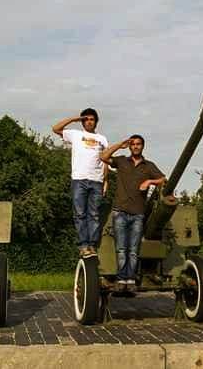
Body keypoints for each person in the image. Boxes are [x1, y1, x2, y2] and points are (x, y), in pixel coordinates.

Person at [100, 135, 165, 286]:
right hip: (120, 211)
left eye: (138, 144)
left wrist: (150, 181)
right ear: (130, 146)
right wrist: (119, 144)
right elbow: (103, 157)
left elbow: (163, 179)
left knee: (133, 250)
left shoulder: (149, 166)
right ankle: (122, 278)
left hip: (138, 214)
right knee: (121, 248)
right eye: (133, 144)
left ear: (143, 146)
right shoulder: (122, 161)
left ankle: (131, 277)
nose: (136, 146)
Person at [53, 108, 109, 257]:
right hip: (79, 179)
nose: (89, 122)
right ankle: (83, 245)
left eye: (92, 119)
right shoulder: (75, 134)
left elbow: (105, 161)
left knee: (95, 214)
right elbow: (55, 128)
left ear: (96, 121)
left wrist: (105, 181)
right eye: (86, 119)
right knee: (79, 213)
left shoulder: (102, 139)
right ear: (82, 122)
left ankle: (92, 245)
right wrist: (73, 119)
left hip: (96, 180)